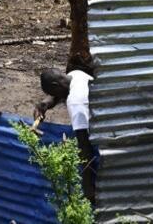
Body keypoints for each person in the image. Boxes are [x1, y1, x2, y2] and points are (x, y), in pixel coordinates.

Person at [34, 67, 97, 203]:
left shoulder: (76, 103)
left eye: (51, 92)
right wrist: (46, 103)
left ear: (55, 86)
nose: (53, 95)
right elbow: (60, 92)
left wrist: (87, 185)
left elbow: (84, 146)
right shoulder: (76, 74)